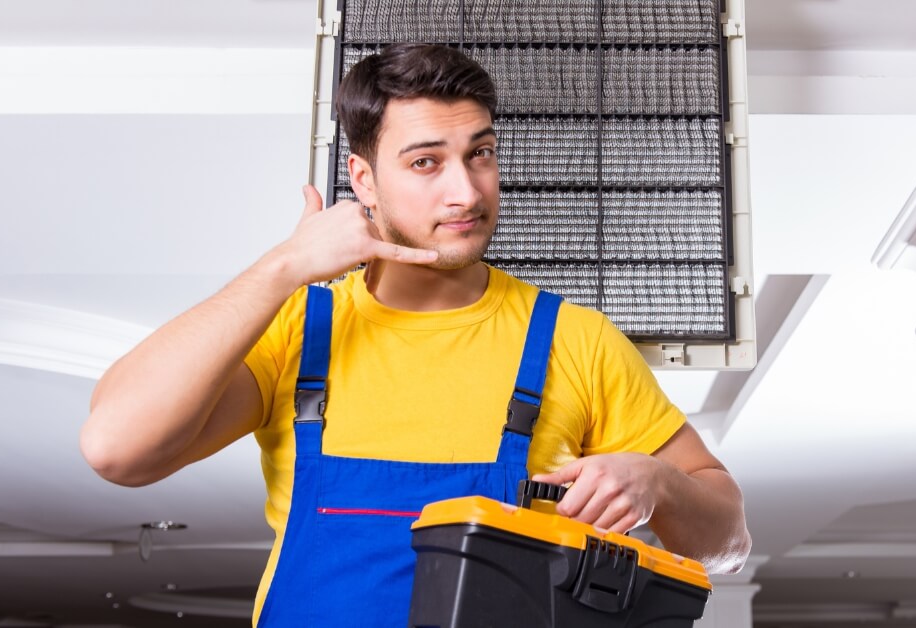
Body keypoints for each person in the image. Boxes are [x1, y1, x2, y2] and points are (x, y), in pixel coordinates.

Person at [81, 43, 750, 626]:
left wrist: (658, 482)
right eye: (427, 163)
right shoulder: (299, 328)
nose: (466, 191)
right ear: (364, 180)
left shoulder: (576, 340)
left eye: (480, 154)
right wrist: (281, 267)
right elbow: (116, 449)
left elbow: (728, 538)